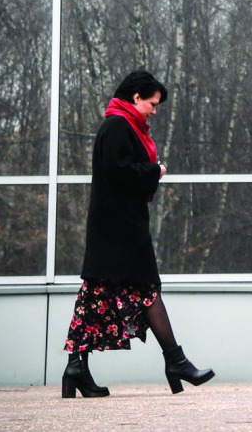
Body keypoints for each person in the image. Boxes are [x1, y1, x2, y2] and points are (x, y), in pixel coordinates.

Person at [61, 70, 215, 398]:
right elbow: (119, 169)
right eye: (152, 103)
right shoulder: (118, 125)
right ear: (135, 98)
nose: (155, 111)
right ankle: (176, 361)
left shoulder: (121, 124)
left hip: (114, 227)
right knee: (146, 287)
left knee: (96, 294)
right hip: (120, 228)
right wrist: (154, 170)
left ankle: (77, 367)